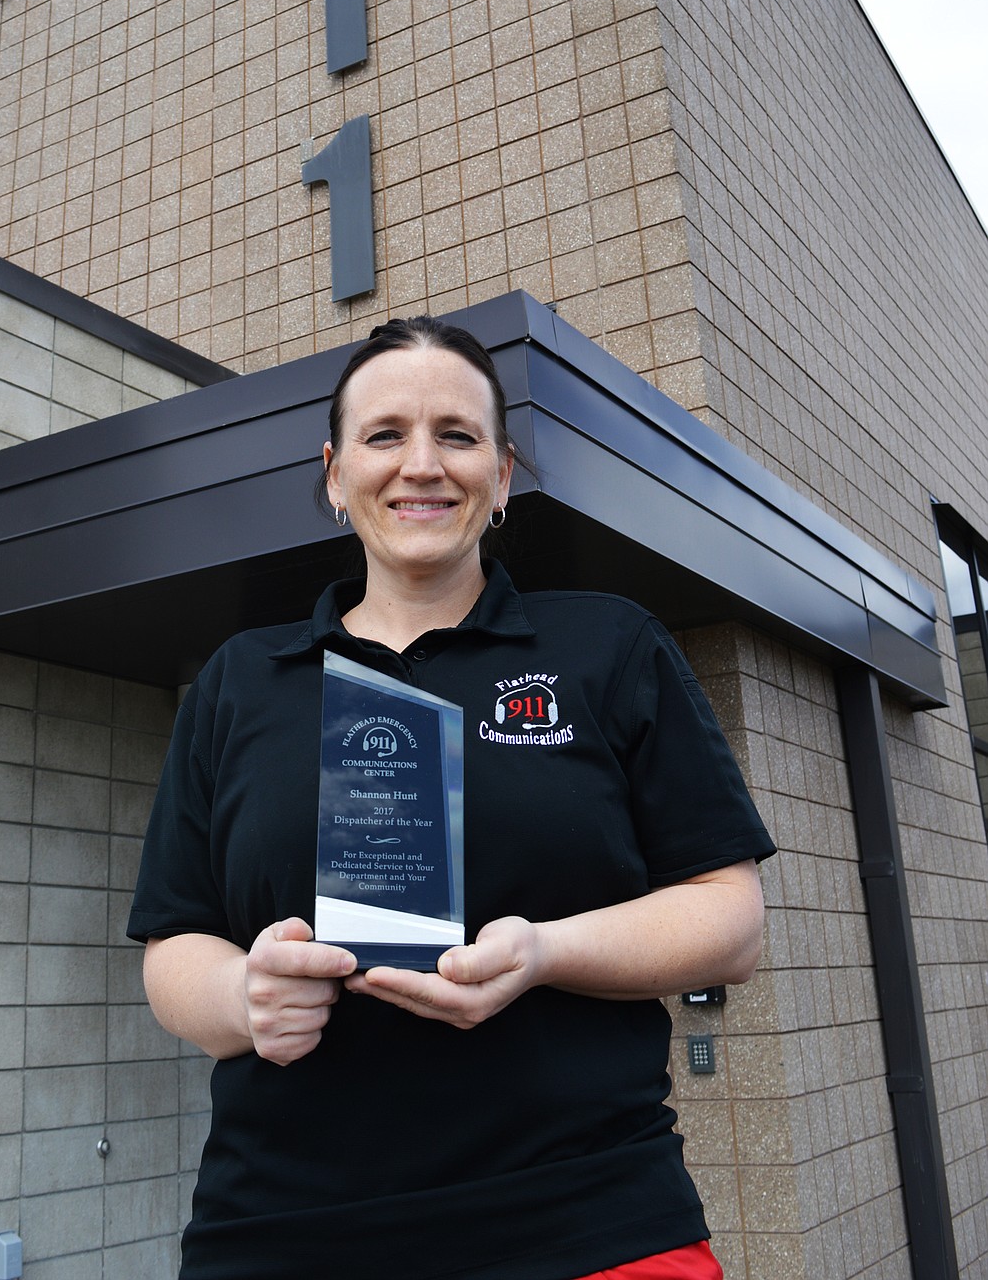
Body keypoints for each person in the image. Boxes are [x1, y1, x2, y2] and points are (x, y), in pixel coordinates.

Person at [128, 315, 776, 1280]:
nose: (421, 465)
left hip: (586, 1219)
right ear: (336, 473)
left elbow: (731, 921)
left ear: (503, 474)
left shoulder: (609, 646)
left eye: (458, 436)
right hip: (283, 1230)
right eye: (384, 435)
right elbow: (176, 939)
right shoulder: (241, 678)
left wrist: (548, 950)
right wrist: (243, 995)